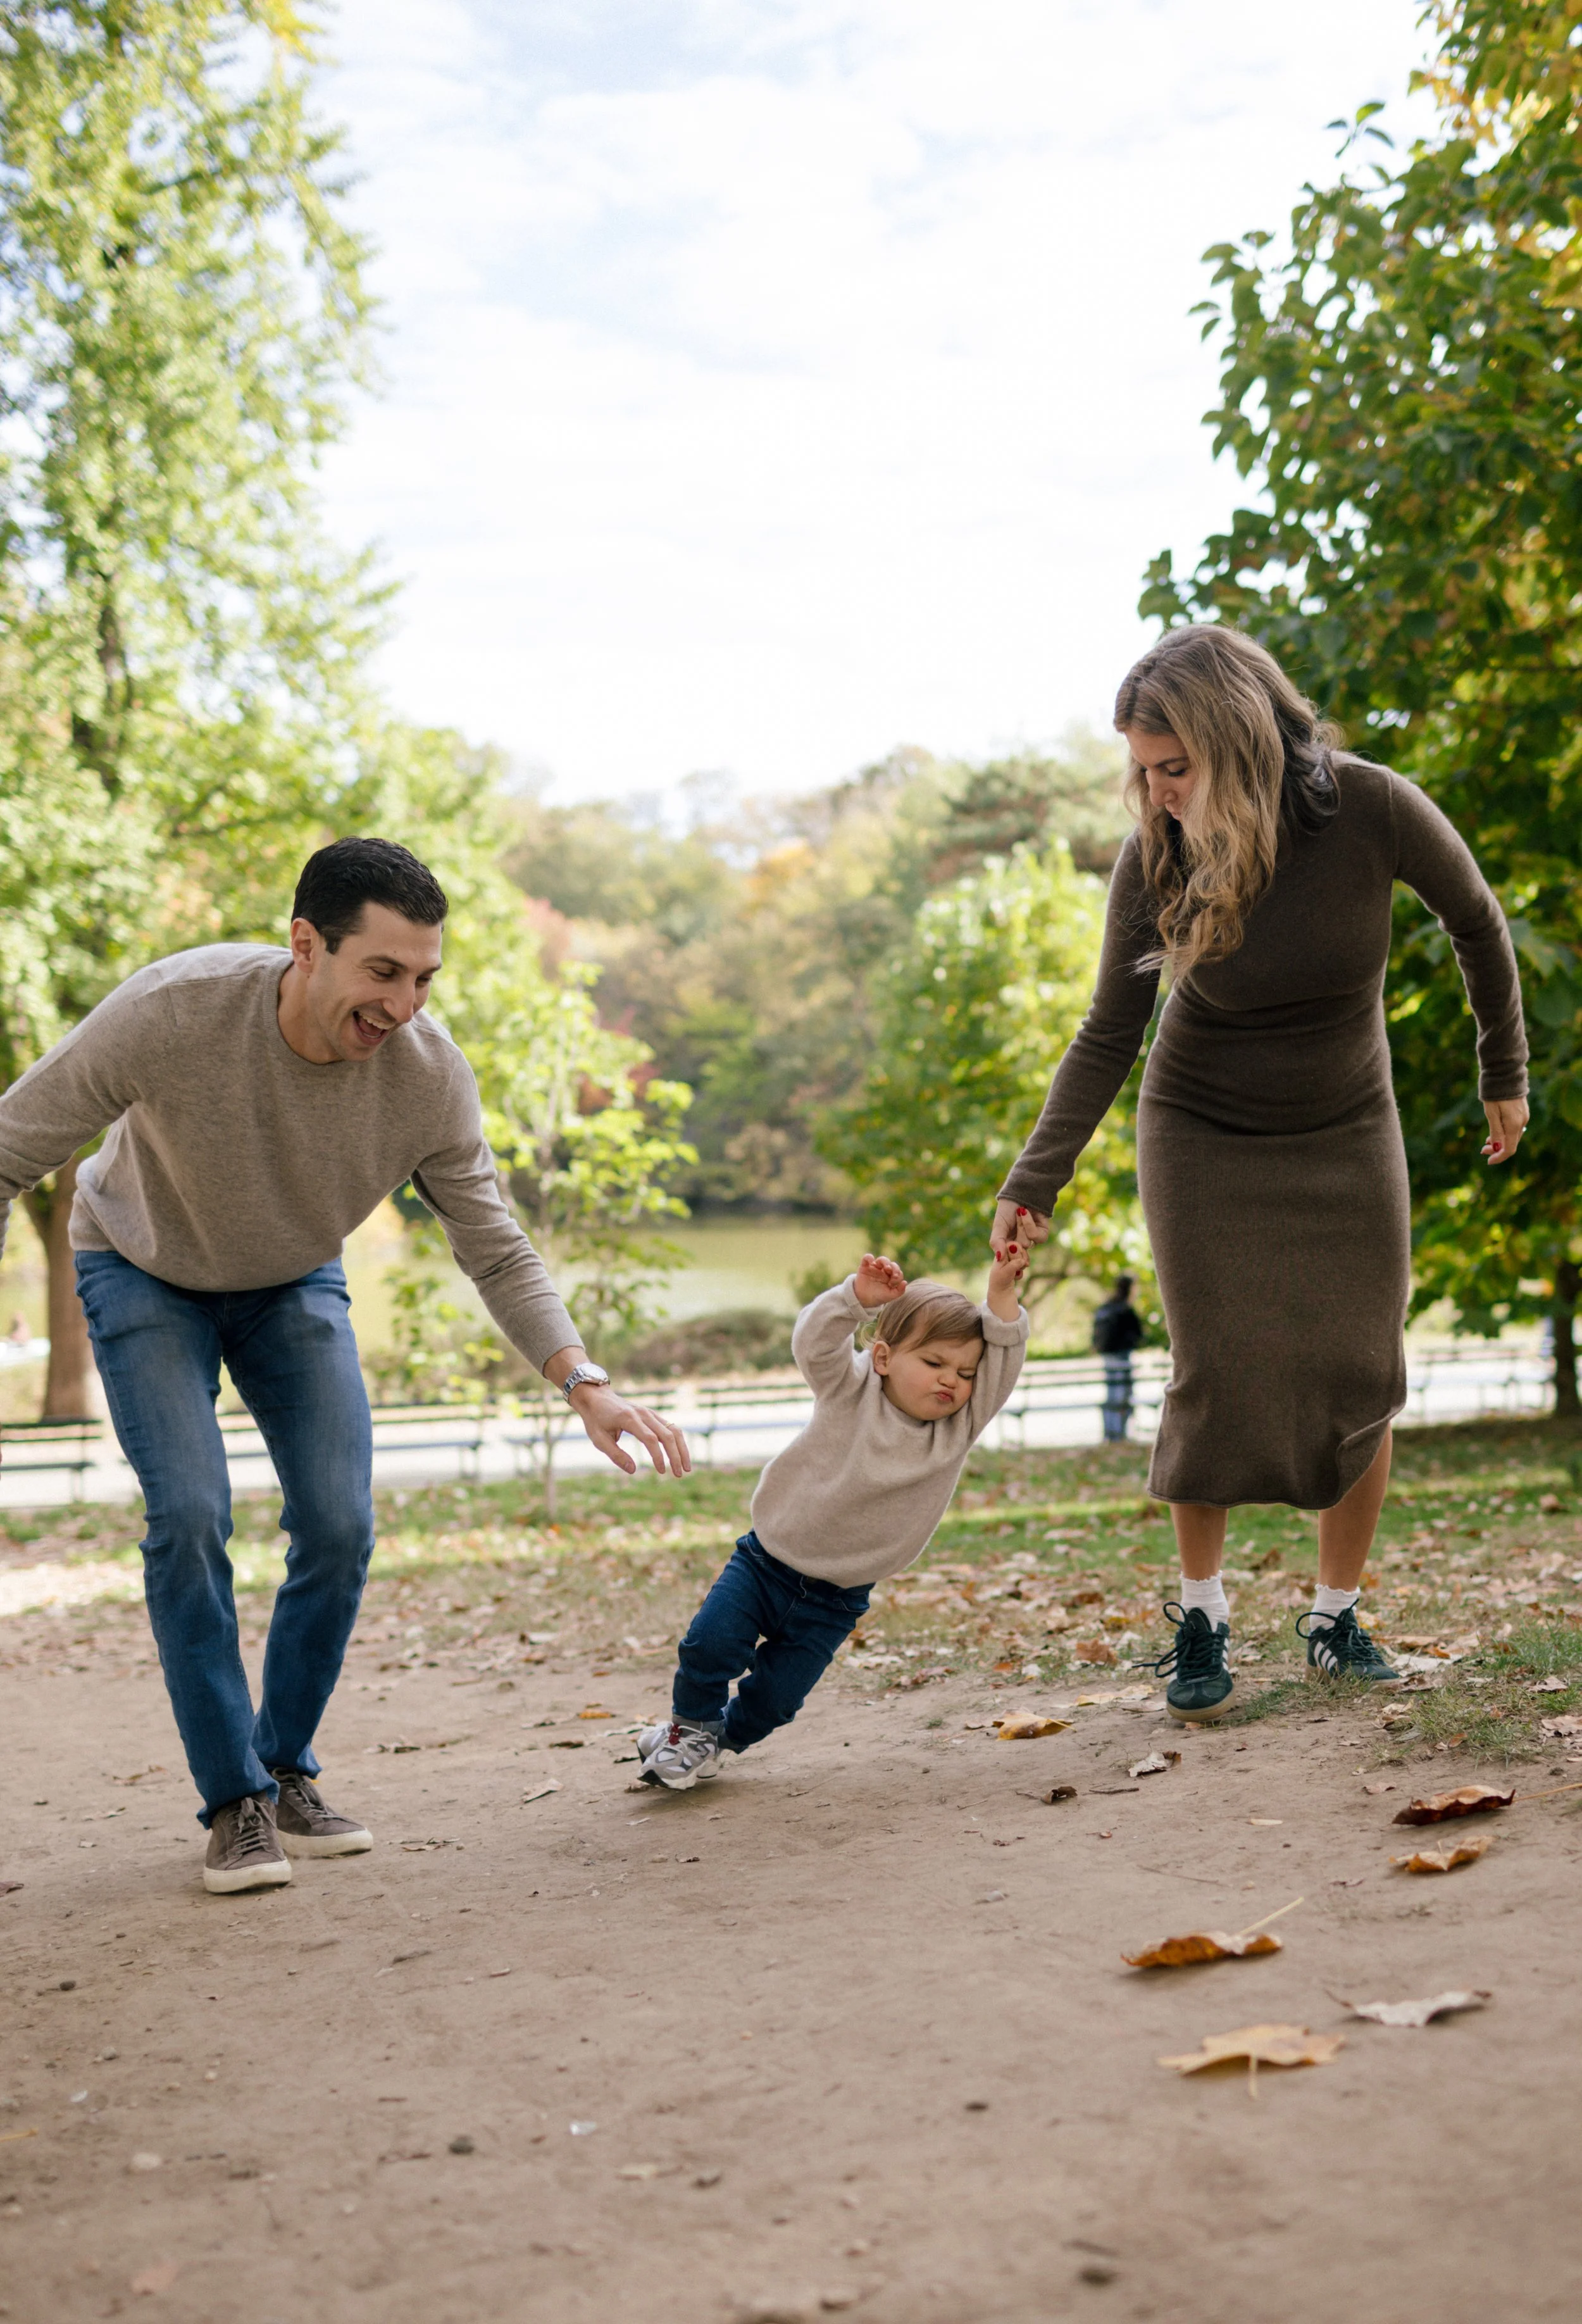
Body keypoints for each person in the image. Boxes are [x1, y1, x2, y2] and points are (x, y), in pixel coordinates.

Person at [0, 837, 690, 1892]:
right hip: (141, 1264)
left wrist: (581, 1378)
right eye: (382, 972)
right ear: (306, 946)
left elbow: (492, 1241)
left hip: (291, 1278)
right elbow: (14, 1144)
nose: (405, 1005)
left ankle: (282, 1767)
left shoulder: (427, 1075)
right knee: (188, 1514)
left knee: (340, 1520)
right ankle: (233, 1802)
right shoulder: (174, 1011)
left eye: (424, 978)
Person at [992, 627, 1527, 1722]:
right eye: (1142, 769)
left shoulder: (1373, 807)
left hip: (1345, 1119)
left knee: (1362, 1366)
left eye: (1174, 766)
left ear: (1239, 741)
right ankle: (1203, 1616)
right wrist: (1034, 1176)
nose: (1156, 790)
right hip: (1201, 1125)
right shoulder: (1158, 853)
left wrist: (1501, 1071)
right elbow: (1109, 1029)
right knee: (1216, 1367)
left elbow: (1477, 920)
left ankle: (1335, 1619)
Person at [637, 1246, 1030, 1789]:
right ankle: (688, 1730)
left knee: (777, 1702)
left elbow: (1003, 1364)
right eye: (935, 1363)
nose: (951, 1381)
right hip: (765, 1562)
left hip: (836, 1599)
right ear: (886, 1358)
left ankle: (712, 1741)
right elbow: (814, 1344)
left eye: (965, 1372)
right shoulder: (851, 1387)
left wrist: (1002, 1295)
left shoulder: (958, 1428)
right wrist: (855, 1300)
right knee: (709, 1646)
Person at [1091, 1273, 1143, 1440]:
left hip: (1108, 1357)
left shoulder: (1106, 1307)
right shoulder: (1125, 1310)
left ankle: (1112, 1432)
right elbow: (1139, 1334)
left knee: (1113, 1393)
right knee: (1121, 1394)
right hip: (1122, 1356)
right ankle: (1118, 1433)